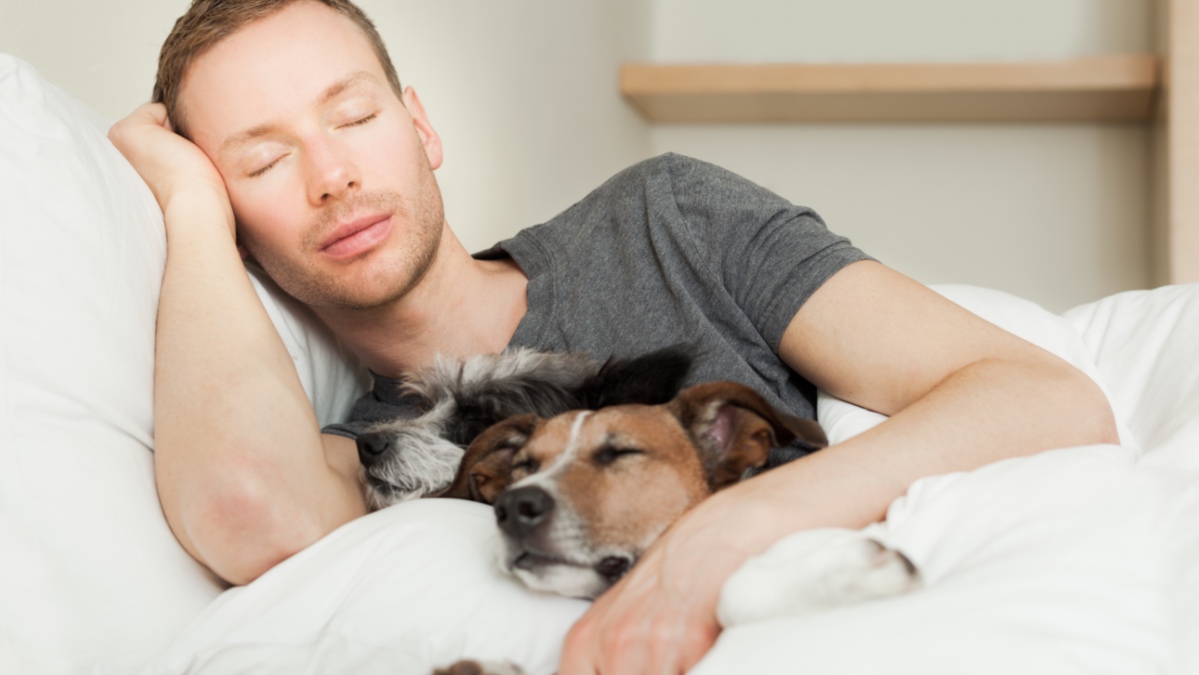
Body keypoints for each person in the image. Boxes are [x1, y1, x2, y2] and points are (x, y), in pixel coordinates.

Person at [108, 0, 1119, 672]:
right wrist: (191, 218)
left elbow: (1047, 397)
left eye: (353, 116)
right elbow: (246, 510)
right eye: (262, 162)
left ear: (420, 129)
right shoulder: (376, 453)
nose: (330, 174)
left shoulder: (665, 220)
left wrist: (717, 540)